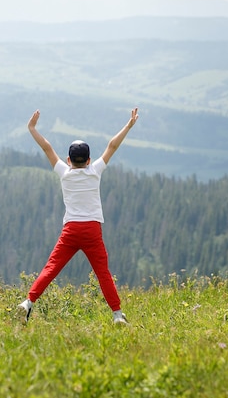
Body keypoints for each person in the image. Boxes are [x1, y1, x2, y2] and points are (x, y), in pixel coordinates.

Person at [17, 107, 139, 325]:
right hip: (92, 230)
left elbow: (47, 147)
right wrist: (129, 125)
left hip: (71, 230)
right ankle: (117, 315)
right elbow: (112, 145)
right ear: (90, 160)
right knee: (103, 273)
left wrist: (31, 128)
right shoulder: (95, 172)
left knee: (51, 267)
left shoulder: (64, 174)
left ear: (69, 160)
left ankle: (28, 303)